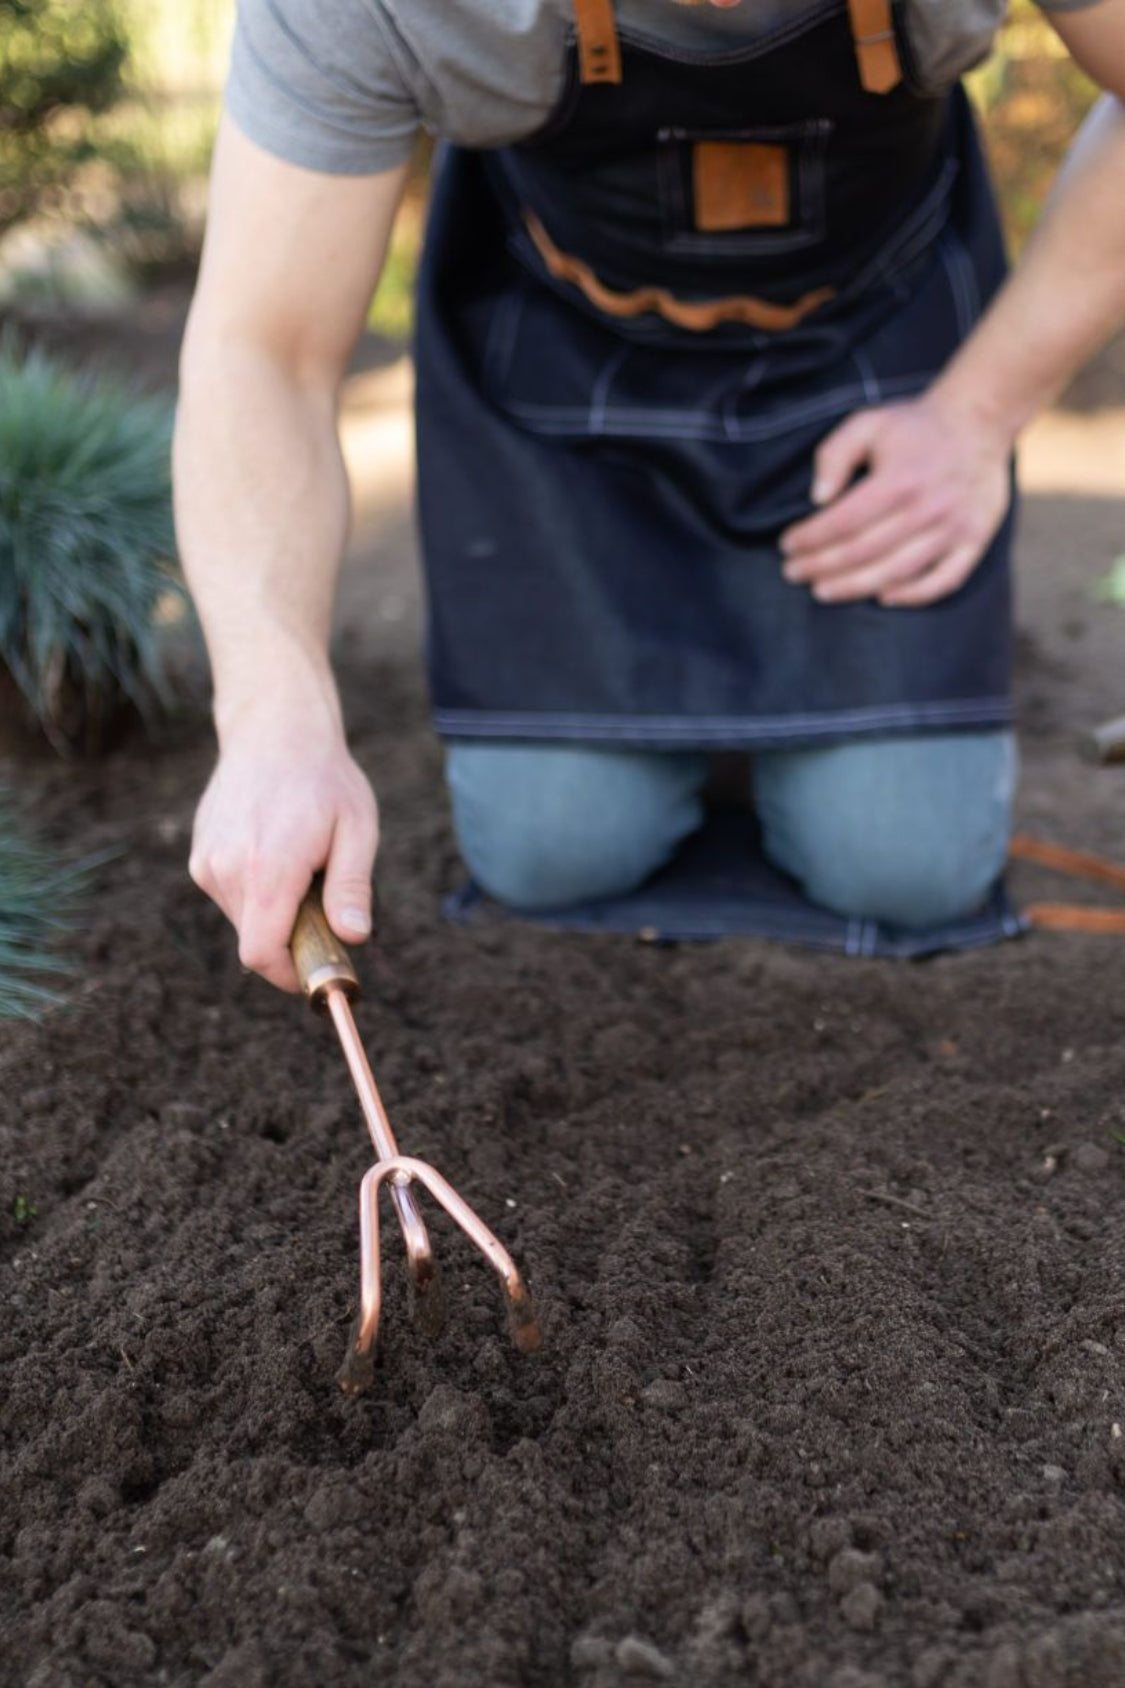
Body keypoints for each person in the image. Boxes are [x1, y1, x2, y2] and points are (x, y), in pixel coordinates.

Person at [175, 0, 1125, 991]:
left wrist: (978, 413)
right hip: (565, 374)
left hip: (875, 368)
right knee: (554, 849)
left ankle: (780, 724)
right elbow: (264, 353)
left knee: (906, 864)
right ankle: (719, 720)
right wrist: (273, 711)